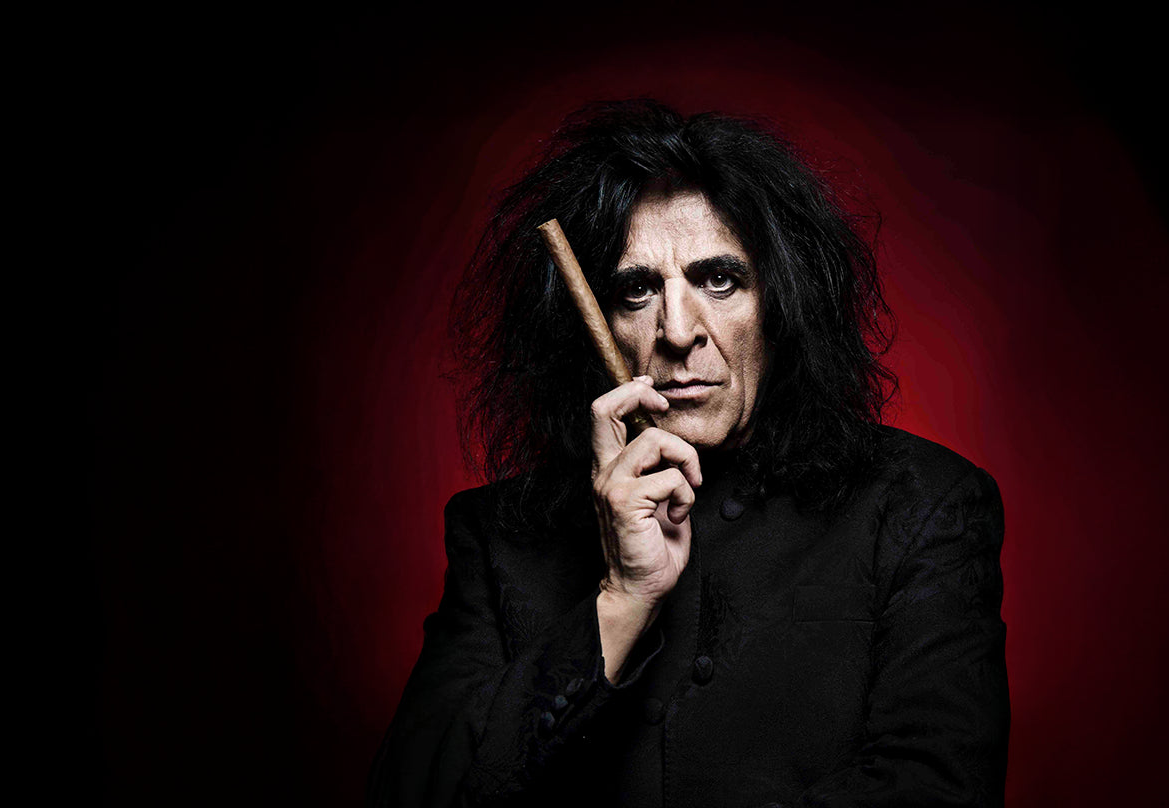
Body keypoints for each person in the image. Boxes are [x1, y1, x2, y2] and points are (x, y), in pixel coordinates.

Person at [370, 99, 1007, 807]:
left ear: (782, 301)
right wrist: (620, 600)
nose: (677, 332)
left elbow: (937, 789)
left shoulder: (924, 505)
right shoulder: (497, 536)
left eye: (719, 279)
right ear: (587, 321)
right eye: (636, 290)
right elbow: (415, 793)